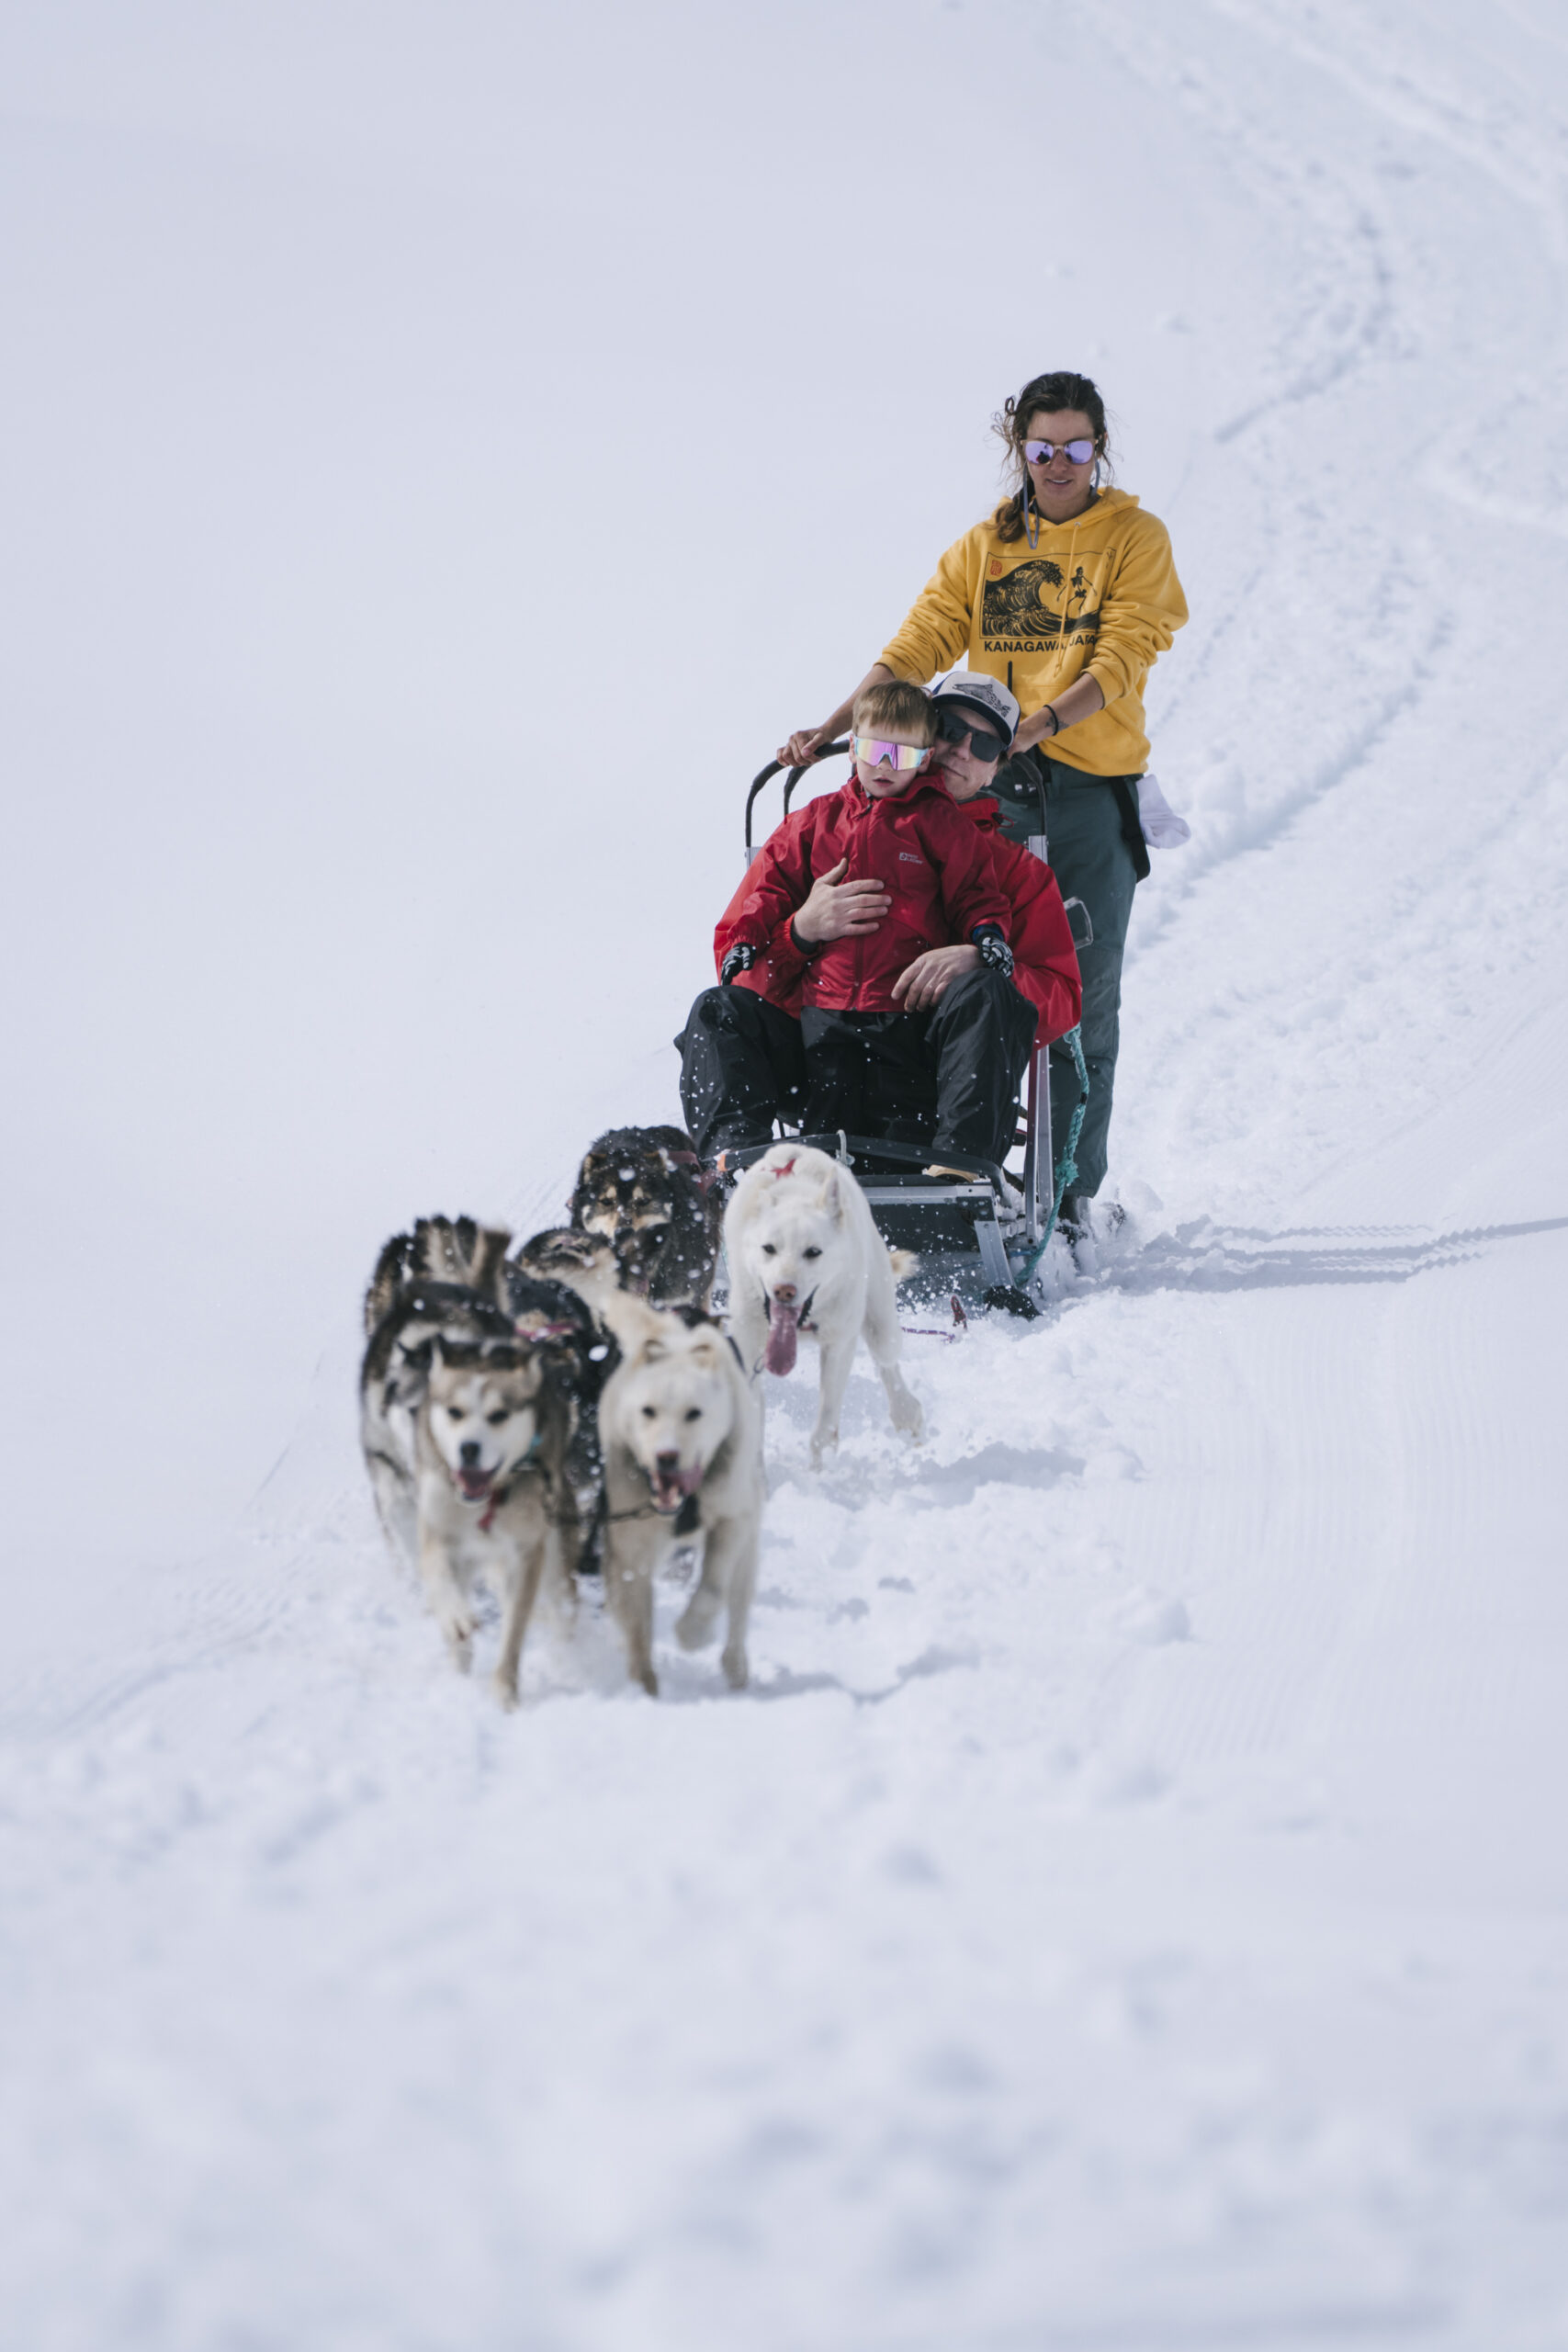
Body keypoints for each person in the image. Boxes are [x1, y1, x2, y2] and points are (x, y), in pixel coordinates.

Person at [779, 369, 1188, 1234]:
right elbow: (918, 644)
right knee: (930, 974)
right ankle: (930, 1161)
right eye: (1042, 448)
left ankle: (1069, 1190)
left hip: (1079, 788)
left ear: (1098, 448)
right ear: (1020, 449)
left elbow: (1120, 658)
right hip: (974, 783)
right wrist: (826, 730)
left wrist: (1029, 730)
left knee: (1075, 988)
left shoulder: (1132, 538)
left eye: (1076, 447)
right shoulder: (985, 548)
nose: (1059, 464)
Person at [679, 678, 1035, 1166]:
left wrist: (987, 946)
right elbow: (765, 897)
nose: (887, 765)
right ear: (853, 749)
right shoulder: (811, 824)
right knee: (717, 1008)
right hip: (820, 1042)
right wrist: (793, 933)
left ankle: (962, 1166)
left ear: (923, 758)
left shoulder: (953, 832)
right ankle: (735, 1161)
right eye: (875, 750)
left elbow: (979, 896)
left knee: (988, 992)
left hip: (912, 1046)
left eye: (904, 755)